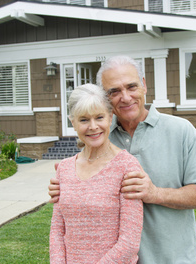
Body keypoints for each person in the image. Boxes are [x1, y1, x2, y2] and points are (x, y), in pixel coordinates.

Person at [49, 56, 196, 263]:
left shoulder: (181, 131)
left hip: (171, 258)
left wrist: (155, 193)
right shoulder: (99, 136)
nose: (126, 97)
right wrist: (68, 188)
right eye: (114, 91)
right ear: (106, 99)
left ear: (144, 85)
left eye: (131, 87)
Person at [49, 83, 143, 263]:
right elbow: (57, 230)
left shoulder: (127, 166)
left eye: (99, 117)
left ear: (110, 118)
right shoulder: (64, 168)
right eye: (84, 120)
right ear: (73, 122)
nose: (93, 126)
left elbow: (129, 243)